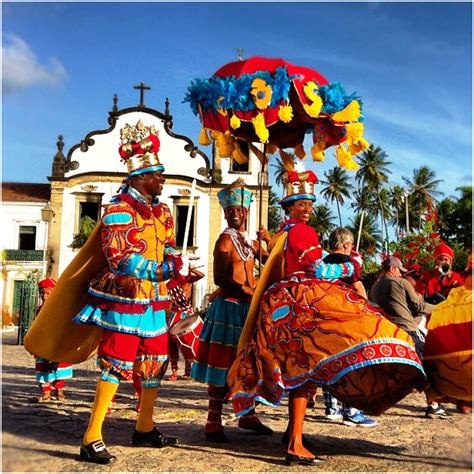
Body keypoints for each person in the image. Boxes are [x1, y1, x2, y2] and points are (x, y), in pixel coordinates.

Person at [227, 166, 426, 466]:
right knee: (312, 365)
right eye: (301, 204)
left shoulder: (284, 232)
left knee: (301, 373)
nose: (307, 209)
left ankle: (292, 436)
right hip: (300, 303)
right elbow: (320, 269)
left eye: (309, 204)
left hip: (281, 306)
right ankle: (294, 442)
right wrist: (352, 265)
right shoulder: (303, 232)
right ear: (290, 207)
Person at [73, 122, 187, 464]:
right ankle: (91, 435)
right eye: (157, 174)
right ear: (140, 177)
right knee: (115, 362)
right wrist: (164, 269)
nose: (163, 179)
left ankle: (144, 427)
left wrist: (179, 263)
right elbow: (120, 258)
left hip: (154, 300)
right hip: (124, 299)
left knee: (155, 362)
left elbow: (166, 248)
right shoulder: (118, 210)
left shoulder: (164, 212)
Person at [191, 178, 272, 443]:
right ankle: (213, 421)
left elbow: (271, 262)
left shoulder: (248, 243)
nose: (235, 214)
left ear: (246, 212)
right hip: (229, 308)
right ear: (225, 213)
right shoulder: (224, 241)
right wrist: (248, 291)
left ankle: (247, 414)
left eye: (239, 210)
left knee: (249, 363)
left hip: (247, 311)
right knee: (223, 364)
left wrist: (267, 242)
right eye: (230, 211)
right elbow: (221, 279)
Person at [370, 256, 449, 419]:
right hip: (408, 330)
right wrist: (444, 307)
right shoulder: (400, 282)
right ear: (392, 269)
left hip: (387, 332)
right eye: (400, 270)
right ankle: (433, 405)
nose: (401, 274)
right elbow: (419, 306)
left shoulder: (374, 289)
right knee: (429, 365)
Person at [319, 228, 376, 427]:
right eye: (351, 246)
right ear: (345, 245)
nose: (352, 249)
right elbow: (359, 290)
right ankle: (351, 411)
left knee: (329, 364)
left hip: (324, 318)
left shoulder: (321, 263)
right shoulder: (349, 264)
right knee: (351, 365)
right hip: (346, 319)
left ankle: (331, 408)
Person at [423, 250, 472, 415]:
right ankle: (433, 403)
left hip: (455, 323)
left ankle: (464, 400)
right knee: (435, 364)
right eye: (440, 259)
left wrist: (452, 281)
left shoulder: (458, 277)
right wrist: (435, 278)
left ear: (451, 262)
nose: (443, 261)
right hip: (435, 322)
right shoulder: (428, 278)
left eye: (446, 259)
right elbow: (422, 295)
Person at [34, 278, 73, 402]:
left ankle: (59, 390)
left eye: (47, 293)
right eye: (42, 293)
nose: (44, 296)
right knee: (43, 367)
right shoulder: (39, 309)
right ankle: (46, 392)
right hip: (43, 342)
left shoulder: (62, 308)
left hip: (57, 342)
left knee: (59, 367)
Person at [167, 267, 205, 381]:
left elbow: (201, 275)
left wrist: (191, 269)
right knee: (171, 342)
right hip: (174, 312)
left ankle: (188, 371)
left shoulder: (188, 279)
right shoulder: (170, 282)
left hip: (185, 311)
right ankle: (174, 371)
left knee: (187, 340)